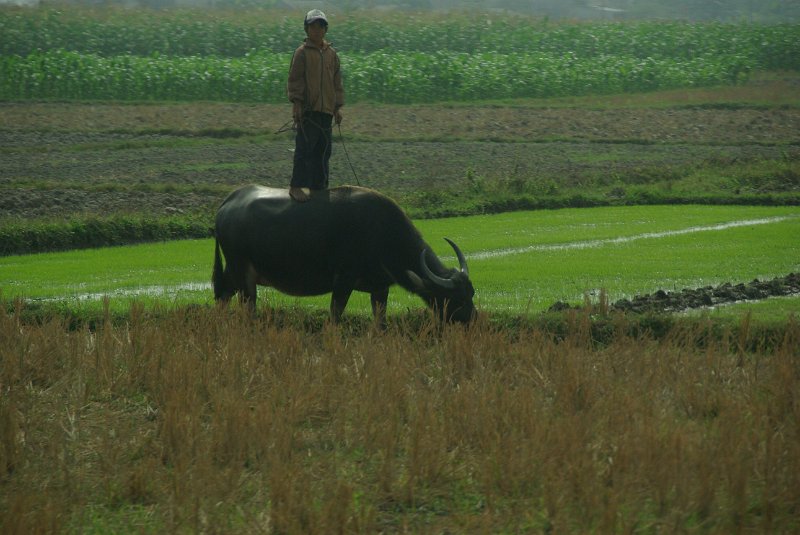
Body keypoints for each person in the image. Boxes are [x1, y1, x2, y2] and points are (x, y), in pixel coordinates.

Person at [287, 9, 345, 202]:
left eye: (320, 26)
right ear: (306, 29)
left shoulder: (332, 54)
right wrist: (297, 104)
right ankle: (296, 186)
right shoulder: (302, 53)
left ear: (325, 29)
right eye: (313, 26)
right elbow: (295, 81)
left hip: (326, 111)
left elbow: (336, 83)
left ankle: (318, 188)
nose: (317, 30)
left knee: (323, 151)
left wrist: (337, 108)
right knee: (304, 149)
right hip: (308, 111)